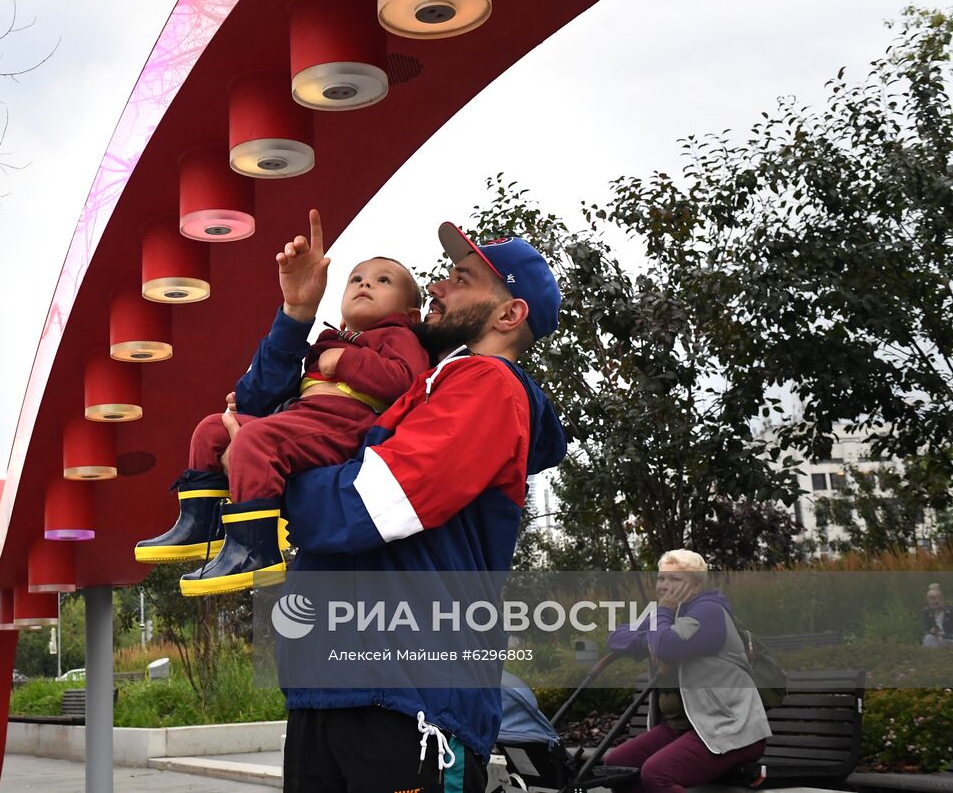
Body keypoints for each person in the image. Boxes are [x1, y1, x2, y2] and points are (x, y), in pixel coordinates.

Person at [225, 210, 567, 793]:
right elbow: (262, 415)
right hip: (330, 687)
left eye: (461, 279)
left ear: (509, 315)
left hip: (410, 700)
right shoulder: (415, 388)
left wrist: (264, 485)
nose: (437, 285)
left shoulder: (487, 384)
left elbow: (372, 503)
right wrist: (296, 316)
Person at [135, 255, 429, 596]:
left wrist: (347, 360)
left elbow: (406, 382)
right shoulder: (330, 339)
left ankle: (255, 550)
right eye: (356, 278)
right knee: (212, 429)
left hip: (346, 423)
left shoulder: (401, 337)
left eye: (383, 280)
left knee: (257, 440)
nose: (365, 283)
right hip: (306, 417)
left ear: (411, 316)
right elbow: (269, 395)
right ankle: (201, 524)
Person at [603, 549, 770, 793]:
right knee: (618, 764)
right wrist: (651, 640)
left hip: (729, 729)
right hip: (686, 727)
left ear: (696, 586)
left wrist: (661, 625)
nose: (664, 585)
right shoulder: (668, 614)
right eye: (661, 578)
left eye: (674, 579)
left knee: (657, 774)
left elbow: (667, 645)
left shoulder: (710, 612)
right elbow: (615, 637)